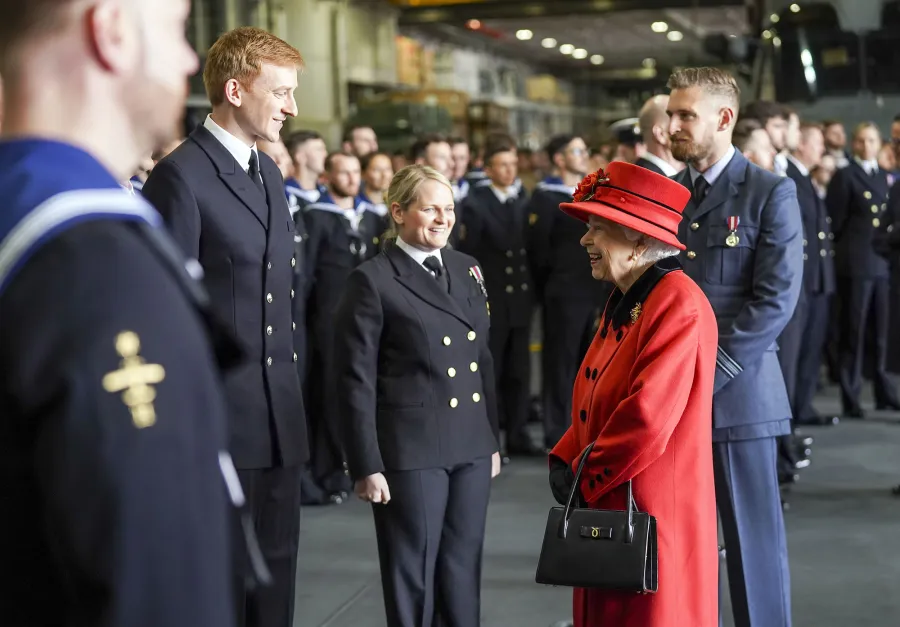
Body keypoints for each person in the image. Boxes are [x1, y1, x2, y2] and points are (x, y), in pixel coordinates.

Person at [0, 0, 238, 625]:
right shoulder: (98, 266)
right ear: (108, 31)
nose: (190, 58)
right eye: (175, 30)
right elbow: (153, 586)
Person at [141, 26, 308, 627]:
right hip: (219, 425)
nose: (291, 107)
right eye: (281, 92)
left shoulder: (269, 175)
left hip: (279, 421)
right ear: (235, 91)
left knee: (275, 589)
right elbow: (168, 316)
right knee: (219, 593)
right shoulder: (180, 177)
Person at [548, 161, 719, 627]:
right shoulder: (630, 296)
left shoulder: (676, 301)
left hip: (652, 507)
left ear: (641, 240)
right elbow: (597, 396)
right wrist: (567, 454)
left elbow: (647, 415)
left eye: (598, 228)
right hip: (618, 496)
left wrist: (585, 472)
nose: (584, 239)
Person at [333, 165, 502, 627]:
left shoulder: (468, 268)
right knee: (414, 574)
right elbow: (354, 379)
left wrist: (491, 439)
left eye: (448, 209)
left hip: (469, 442)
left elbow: (482, 358)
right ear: (398, 212)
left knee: (462, 567)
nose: (442, 218)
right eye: (430, 208)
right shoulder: (373, 279)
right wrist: (366, 462)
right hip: (411, 449)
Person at [667, 67, 802, 627]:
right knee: (677, 547)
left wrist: (710, 371)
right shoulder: (670, 194)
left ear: (723, 119)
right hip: (670, 400)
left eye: (684, 116)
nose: (671, 125)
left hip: (737, 397)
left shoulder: (770, 192)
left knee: (752, 547)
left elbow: (774, 300)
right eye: (671, 114)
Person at [457, 133, 539, 456]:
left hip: (518, 300)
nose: (508, 171)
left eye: (513, 165)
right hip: (492, 300)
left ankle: (518, 434)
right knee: (492, 372)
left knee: (519, 371)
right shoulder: (476, 204)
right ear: (488, 169)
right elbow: (471, 252)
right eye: (501, 165)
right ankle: (491, 438)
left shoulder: (522, 199)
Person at [526, 134, 609, 450]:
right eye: (577, 150)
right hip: (563, 292)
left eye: (585, 149)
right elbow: (539, 251)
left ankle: (583, 430)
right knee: (560, 365)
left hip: (593, 291)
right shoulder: (546, 197)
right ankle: (557, 433)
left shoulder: (591, 195)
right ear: (559, 159)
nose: (584, 154)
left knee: (588, 365)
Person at [826, 122, 900, 418]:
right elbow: (836, 220)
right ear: (854, 144)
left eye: (872, 140)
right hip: (855, 262)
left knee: (883, 332)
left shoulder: (885, 177)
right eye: (861, 140)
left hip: (882, 263)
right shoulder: (845, 176)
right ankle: (851, 393)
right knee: (854, 332)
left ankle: (885, 390)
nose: (867, 146)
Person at [635, 95, 683, 176]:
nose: (685, 129)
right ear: (661, 134)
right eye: (680, 121)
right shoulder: (652, 181)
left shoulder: (640, 173)